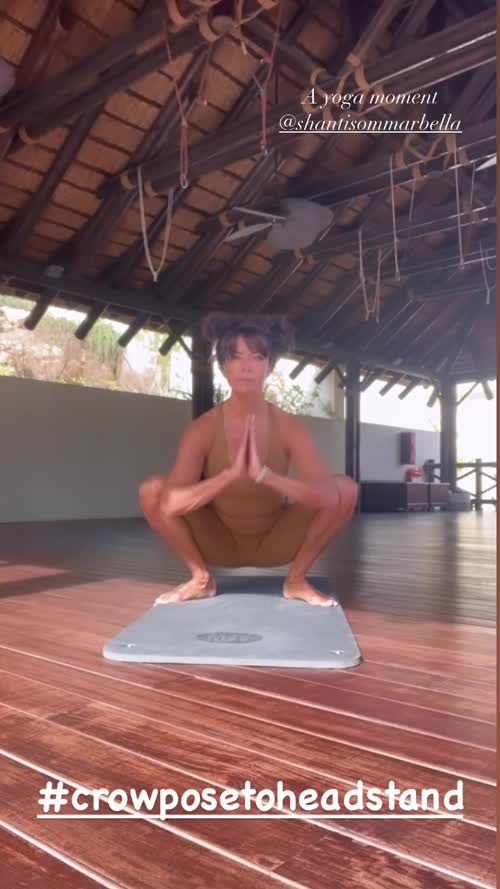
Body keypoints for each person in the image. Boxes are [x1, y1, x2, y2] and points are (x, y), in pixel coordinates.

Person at [139, 312, 358, 607]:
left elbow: (329, 498)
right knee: (152, 489)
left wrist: (265, 475)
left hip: (276, 543)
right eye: (236, 357)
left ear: (269, 367)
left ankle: (296, 580)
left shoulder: (289, 426)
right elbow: (168, 504)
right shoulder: (203, 428)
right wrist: (228, 475)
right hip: (218, 543)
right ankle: (201, 578)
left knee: (346, 488)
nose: (246, 367)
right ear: (223, 366)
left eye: (257, 357)